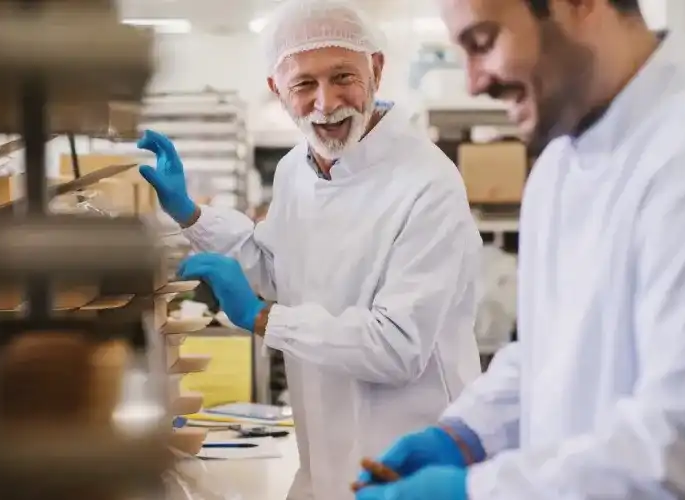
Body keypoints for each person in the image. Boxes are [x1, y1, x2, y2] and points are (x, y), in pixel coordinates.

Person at [356, 1, 685, 499]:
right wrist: (466, 434)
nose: (473, 82)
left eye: (483, 43)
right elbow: (553, 352)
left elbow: (677, 457)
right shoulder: (562, 161)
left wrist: (474, 493)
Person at [136, 1, 483, 499]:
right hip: (322, 463)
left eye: (343, 76)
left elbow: (397, 347)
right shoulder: (296, 170)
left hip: (410, 471)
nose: (327, 102)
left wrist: (263, 318)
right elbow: (281, 271)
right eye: (304, 84)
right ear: (277, 90)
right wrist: (191, 214)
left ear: (376, 70)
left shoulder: (428, 183)